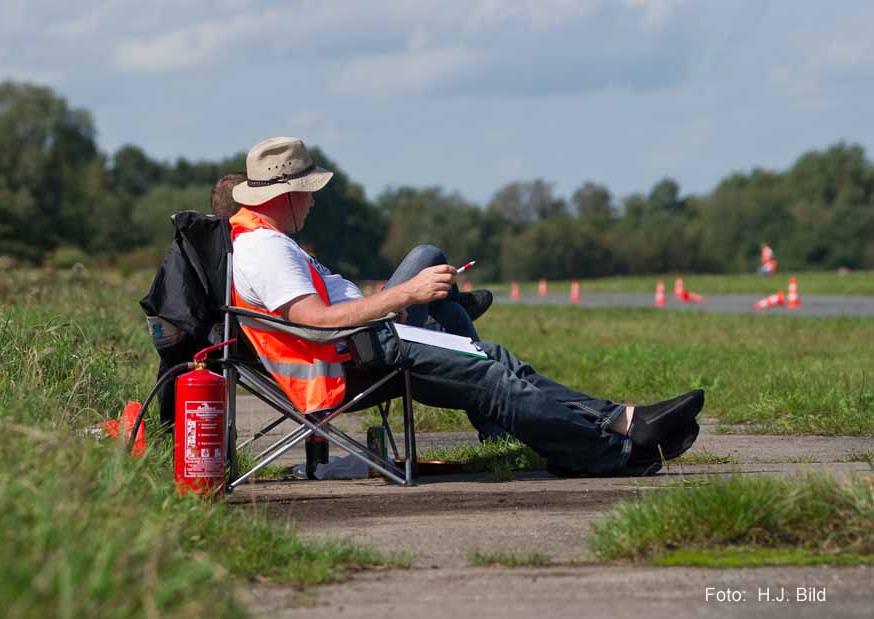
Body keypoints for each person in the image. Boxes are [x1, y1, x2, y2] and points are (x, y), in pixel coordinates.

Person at [226, 136, 702, 476]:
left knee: (495, 358)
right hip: (354, 360)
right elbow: (316, 322)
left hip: (367, 345)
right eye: (309, 192)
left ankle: (623, 419)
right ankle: (613, 454)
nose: (313, 203)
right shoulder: (265, 249)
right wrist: (406, 295)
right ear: (286, 195)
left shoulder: (266, 241)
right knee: (489, 379)